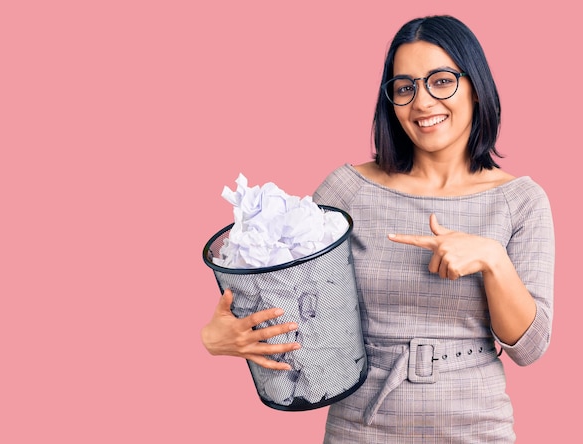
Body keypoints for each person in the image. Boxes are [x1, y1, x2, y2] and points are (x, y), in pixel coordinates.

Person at [201, 14, 555, 443]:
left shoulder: (521, 201)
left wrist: (493, 260)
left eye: (441, 81)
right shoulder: (347, 191)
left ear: (476, 87)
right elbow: (291, 301)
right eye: (405, 88)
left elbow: (530, 348)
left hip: (476, 426)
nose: (423, 103)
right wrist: (219, 336)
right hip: (361, 426)